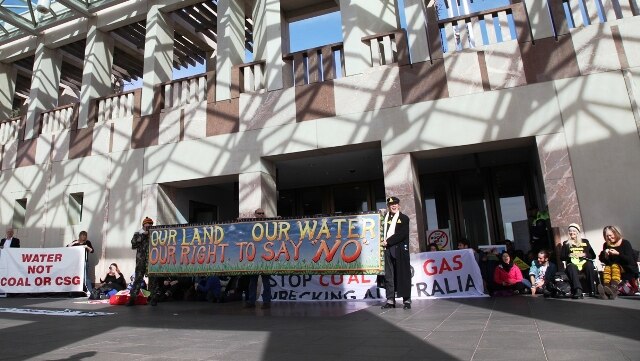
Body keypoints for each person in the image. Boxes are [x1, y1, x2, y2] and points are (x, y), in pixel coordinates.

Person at [381, 196, 412, 310]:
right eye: (391, 205)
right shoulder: (384, 218)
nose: (393, 206)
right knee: (389, 276)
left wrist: (387, 241)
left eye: (395, 204)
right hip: (387, 250)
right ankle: (390, 301)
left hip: (399, 250)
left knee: (403, 275)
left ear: (399, 205)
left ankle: (406, 300)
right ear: (388, 206)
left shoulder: (404, 218)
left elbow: (402, 234)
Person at [598, 225, 639, 299]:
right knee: (607, 267)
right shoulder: (606, 245)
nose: (609, 238)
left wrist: (618, 254)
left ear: (615, 233)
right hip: (613, 269)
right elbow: (605, 261)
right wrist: (605, 255)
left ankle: (613, 289)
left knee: (614, 266)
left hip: (628, 268)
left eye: (610, 235)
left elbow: (630, 260)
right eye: (607, 236)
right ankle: (606, 289)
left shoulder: (625, 243)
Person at [560, 223, 597, 299]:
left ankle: (592, 290)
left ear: (578, 232)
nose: (572, 233)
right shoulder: (566, 243)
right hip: (573, 264)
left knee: (589, 264)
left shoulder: (585, 242)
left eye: (574, 231)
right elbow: (562, 257)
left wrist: (584, 254)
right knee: (571, 266)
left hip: (584, 263)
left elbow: (593, 256)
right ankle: (578, 290)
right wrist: (569, 255)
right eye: (570, 231)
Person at [245, 208, 272, 309]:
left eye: (262, 213)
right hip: (254, 258)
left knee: (266, 282)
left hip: (265, 257)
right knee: (253, 281)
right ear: (255, 214)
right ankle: (251, 301)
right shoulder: (251, 225)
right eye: (259, 213)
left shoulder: (268, 224)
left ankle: (266, 302)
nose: (261, 215)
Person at [129, 217, 160, 306]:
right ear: (143, 225)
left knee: (153, 280)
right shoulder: (138, 234)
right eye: (147, 224)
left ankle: (153, 298)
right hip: (141, 261)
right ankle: (132, 298)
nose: (149, 226)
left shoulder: (154, 234)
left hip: (152, 260)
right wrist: (144, 235)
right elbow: (133, 244)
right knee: (138, 279)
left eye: (150, 224)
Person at [67, 231, 94, 296]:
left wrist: (87, 247)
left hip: (84, 262)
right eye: (82, 235)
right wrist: (74, 243)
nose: (84, 237)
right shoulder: (76, 242)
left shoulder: (87, 242)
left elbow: (92, 251)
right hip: (76, 262)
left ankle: (90, 291)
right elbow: (67, 247)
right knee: (74, 276)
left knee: (85, 277)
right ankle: (72, 292)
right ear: (80, 236)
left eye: (85, 236)